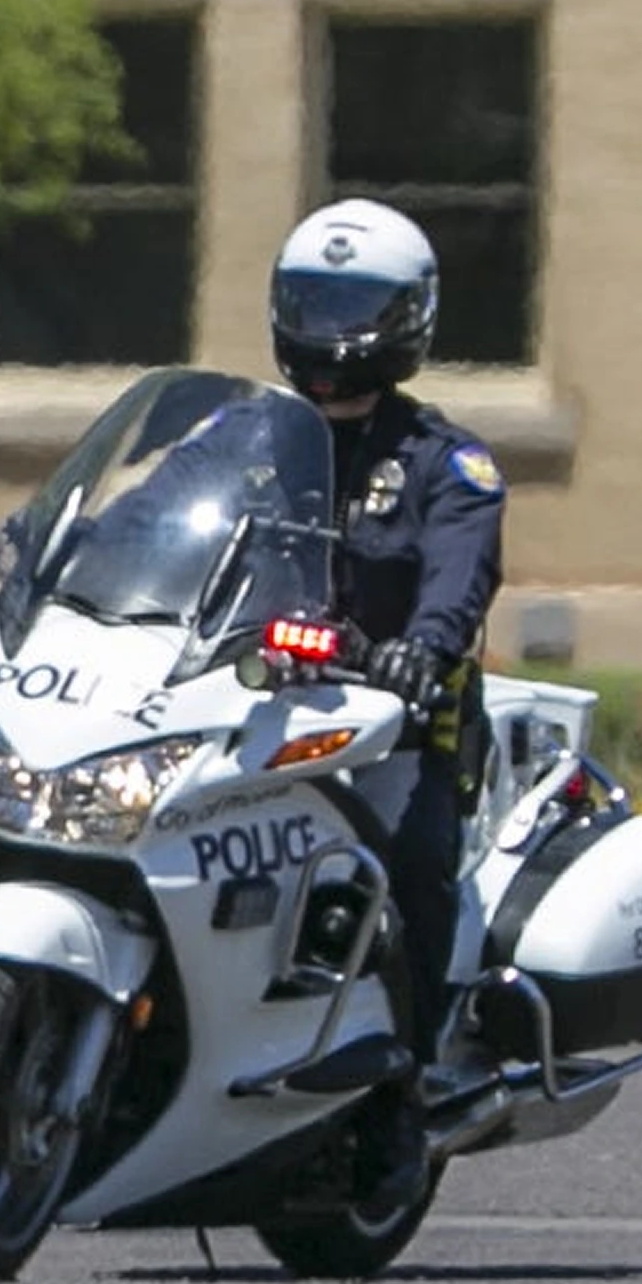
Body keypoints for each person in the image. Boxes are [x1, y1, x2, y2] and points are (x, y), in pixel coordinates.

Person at [267, 199, 504, 1080]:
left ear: (408, 319)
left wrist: (424, 648)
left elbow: (460, 573)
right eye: (315, 304)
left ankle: (413, 1064)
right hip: (252, 704)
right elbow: (150, 515)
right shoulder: (246, 439)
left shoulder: (447, 464)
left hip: (390, 725)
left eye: (355, 309)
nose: (331, 332)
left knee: (410, 862)